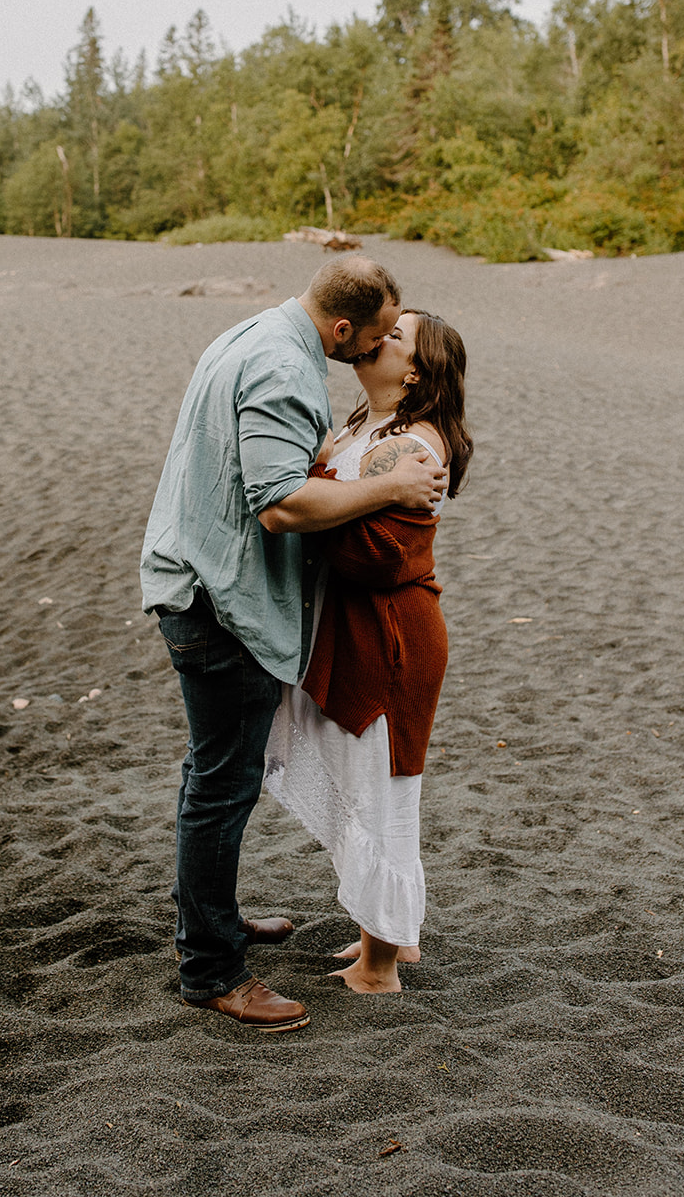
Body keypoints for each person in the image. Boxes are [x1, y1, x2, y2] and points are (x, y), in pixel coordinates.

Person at [140, 258, 446, 1033]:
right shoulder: (284, 367)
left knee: (213, 775)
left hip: (194, 580)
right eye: (376, 333)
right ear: (343, 330)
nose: (378, 346)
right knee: (220, 783)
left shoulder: (253, 332)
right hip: (219, 600)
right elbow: (278, 507)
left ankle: (212, 920)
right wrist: (389, 488)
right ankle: (211, 968)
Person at [264, 308, 472, 994]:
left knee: (382, 787)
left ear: (414, 370)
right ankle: (377, 939)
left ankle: (381, 967)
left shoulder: (405, 447)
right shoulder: (365, 425)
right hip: (355, 623)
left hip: (387, 631)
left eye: (395, 335)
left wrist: (301, 511)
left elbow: (376, 555)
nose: (377, 335)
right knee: (365, 778)